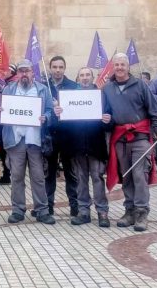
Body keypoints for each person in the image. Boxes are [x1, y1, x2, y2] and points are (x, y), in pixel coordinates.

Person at [102, 53, 157, 232]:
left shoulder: (140, 85)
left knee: (139, 175)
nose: (120, 67)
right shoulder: (107, 88)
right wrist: (105, 120)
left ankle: (142, 212)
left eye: (123, 64)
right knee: (127, 175)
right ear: (113, 67)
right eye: (117, 65)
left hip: (140, 138)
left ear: (128, 66)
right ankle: (129, 211)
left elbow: (154, 111)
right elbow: (105, 113)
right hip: (120, 138)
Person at [0, 59, 56, 225]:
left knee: (38, 177)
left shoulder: (42, 90)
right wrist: (0, 111)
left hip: (35, 140)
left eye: (27, 71)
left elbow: (50, 111)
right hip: (16, 140)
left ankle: (42, 210)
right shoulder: (8, 89)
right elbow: (1, 111)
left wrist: (46, 117)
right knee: (16, 176)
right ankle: (18, 210)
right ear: (17, 74)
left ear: (33, 73)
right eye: (21, 71)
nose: (24, 74)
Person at [56, 67, 110, 227]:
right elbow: (65, 125)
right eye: (82, 75)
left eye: (88, 75)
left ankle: (102, 212)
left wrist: (108, 119)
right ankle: (84, 211)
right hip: (78, 145)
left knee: (97, 178)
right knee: (80, 179)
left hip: (96, 145)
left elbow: (109, 120)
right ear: (78, 78)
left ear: (93, 78)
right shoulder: (70, 97)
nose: (85, 78)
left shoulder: (101, 96)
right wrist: (59, 113)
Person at [45, 56, 79, 216]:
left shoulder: (73, 86)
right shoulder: (43, 86)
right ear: (50, 68)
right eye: (54, 67)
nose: (57, 70)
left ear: (64, 68)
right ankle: (48, 206)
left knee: (70, 172)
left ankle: (75, 205)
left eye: (60, 67)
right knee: (49, 173)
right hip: (49, 136)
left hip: (69, 136)